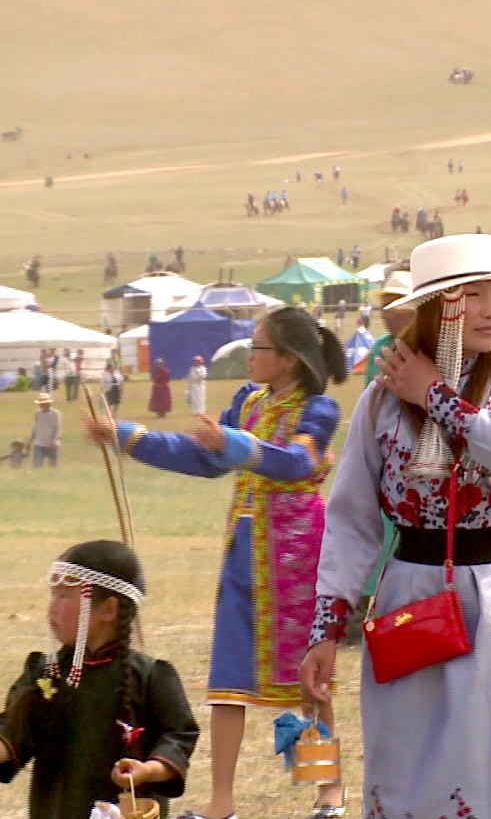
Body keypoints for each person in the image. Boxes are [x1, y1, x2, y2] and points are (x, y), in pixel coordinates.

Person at [303, 233, 491, 817]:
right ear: (437, 308)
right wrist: (326, 629)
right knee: (411, 764)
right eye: (473, 294)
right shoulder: (379, 402)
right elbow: (350, 521)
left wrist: (435, 395)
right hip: (413, 594)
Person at [85, 307, 348, 819]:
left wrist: (232, 443)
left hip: (297, 558)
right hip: (244, 553)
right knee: (227, 681)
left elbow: (296, 461)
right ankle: (221, 802)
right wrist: (127, 436)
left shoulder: (318, 410)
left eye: (258, 348)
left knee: (309, 680)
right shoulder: (247, 402)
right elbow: (202, 457)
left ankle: (327, 791)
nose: (250, 356)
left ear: (288, 360)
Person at [0, 540, 200, 819]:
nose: (52, 608)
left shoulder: (152, 676)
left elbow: (179, 736)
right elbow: (12, 735)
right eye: (52, 594)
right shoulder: (46, 673)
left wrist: (148, 770)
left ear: (109, 610)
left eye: (64, 596)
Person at [363, 271, 415, 386]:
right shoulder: (380, 347)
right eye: (383, 307)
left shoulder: (432, 345)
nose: (385, 314)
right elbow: (371, 396)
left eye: (392, 306)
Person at [30, 391, 61, 468]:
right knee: (37, 465)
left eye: (43, 403)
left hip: (51, 444)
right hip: (39, 444)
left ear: (48, 403)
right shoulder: (38, 413)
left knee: (54, 466)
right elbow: (35, 427)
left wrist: (56, 440)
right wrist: (30, 440)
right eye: (40, 404)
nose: (41, 405)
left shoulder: (55, 413)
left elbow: (58, 428)